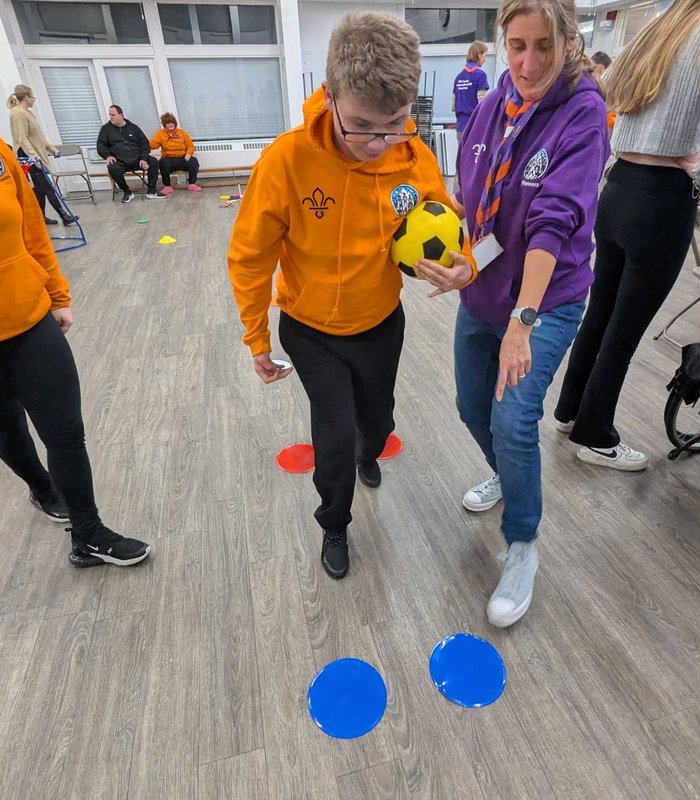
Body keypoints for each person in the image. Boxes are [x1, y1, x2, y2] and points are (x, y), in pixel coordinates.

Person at [227, 11, 477, 580]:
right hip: (310, 329)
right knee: (333, 436)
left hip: (380, 323)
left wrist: (466, 270)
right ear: (330, 92)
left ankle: (371, 451)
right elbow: (249, 255)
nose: (379, 142)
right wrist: (256, 335)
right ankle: (334, 523)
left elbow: (448, 226)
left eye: (394, 123)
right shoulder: (287, 160)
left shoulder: (412, 157)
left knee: (377, 422)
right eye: (363, 125)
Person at [446, 0, 609, 628]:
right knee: (469, 403)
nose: (528, 62)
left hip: (547, 300)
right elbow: (476, 199)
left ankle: (522, 545)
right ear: (501, 41)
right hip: (486, 290)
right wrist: (467, 261)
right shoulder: (493, 103)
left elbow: (551, 222)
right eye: (517, 45)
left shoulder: (582, 112)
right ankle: (508, 478)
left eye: (544, 45)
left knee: (513, 418)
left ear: (569, 41)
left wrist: (523, 320)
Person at [554, 0, 700, 472]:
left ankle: (569, 412)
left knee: (601, 312)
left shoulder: (661, 27)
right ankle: (595, 434)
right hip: (662, 197)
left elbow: (612, 94)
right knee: (623, 328)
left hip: (619, 187)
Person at [0, 110, 151, 568]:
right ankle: (42, 488)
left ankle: (87, 534)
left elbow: (30, 221)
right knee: (5, 427)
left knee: (66, 432)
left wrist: (55, 290)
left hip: (29, 318)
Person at [7, 84, 78, 227]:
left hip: (34, 153)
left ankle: (41, 217)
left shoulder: (27, 112)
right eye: (32, 96)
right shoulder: (18, 113)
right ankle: (64, 216)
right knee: (46, 185)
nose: (34, 99)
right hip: (27, 154)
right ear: (26, 97)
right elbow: (22, 138)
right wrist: (34, 157)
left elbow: (38, 136)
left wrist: (51, 149)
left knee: (39, 188)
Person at [97, 105, 165, 202]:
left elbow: (145, 144)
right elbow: (100, 145)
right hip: (119, 161)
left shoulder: (133, 127)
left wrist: (144, 159)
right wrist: (107, 156)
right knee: (112, 167)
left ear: (121, 115)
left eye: (113, 115)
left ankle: (151, 191)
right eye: (110, 115)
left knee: (153, 161)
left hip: (137, 159)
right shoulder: (105, 129)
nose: (110, 117)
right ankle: (127, 192)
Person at [149, 112, 202, 195]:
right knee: (162, 163)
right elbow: (153, 145)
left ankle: (192, 184)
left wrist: (188, 154)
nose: (170, 125)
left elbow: (190, 146)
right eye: (168, 123)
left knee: (194, 161)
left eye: (172, 123)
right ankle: (167, 186)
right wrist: (144, 144)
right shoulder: (160, 134)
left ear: (175, 123)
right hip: (169, 159)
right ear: (164, 125)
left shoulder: (182, 133)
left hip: (182, 158)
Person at [453, 41, 490, 140]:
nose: (485, 60)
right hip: (474, 126)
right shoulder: (480, 75)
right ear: (479, 55)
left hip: (460, 126)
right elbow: (482, 101)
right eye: (485, 56)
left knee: (462, 154)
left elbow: (453, 105)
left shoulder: (458, 77)